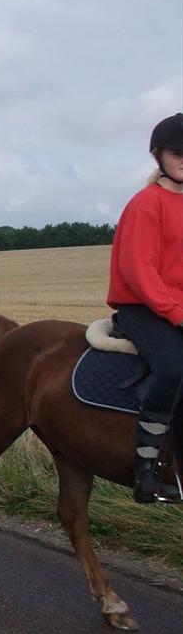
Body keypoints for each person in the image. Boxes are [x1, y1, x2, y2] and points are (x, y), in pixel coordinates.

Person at [107, 112, 183, 503]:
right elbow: (139, 272)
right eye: (177, 152)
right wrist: (176, 313)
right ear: (158, 156)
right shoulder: (146, 203)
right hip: (145, 308)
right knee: (173, 368)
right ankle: (147, 467)